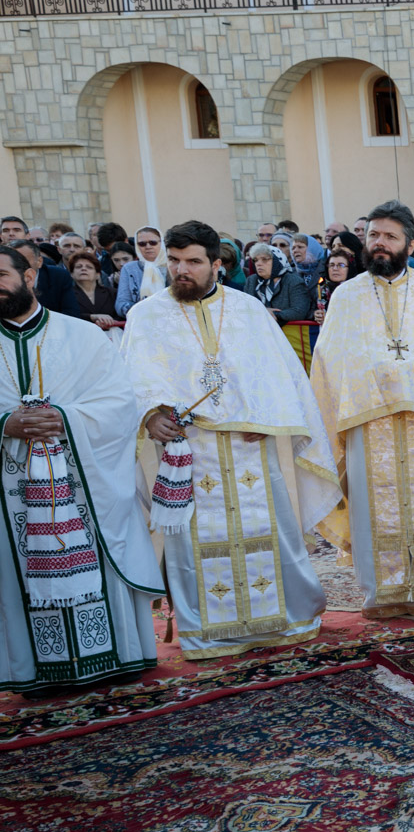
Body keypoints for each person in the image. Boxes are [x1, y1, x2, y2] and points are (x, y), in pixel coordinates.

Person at [123, 220, 338, 660]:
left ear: (217, 264)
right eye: (175, 261)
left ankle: (286, 618)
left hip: (250, 448)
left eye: (193, 262)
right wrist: (150, 417)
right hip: (187, 453)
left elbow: (281, 378)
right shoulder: (145, 316)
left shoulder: (246, 310)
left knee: (269, 533)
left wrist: (268, 417)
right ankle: (208, 632)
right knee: (193, 545)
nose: (182, 270)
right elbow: (134, 379)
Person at [0, 244, 166, 692]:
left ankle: (119, 655)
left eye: (1, 274)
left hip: (82, 477)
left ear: (29, 276)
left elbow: (119, 404)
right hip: (11, 486)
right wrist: (6, 423)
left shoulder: (82, 336)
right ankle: (33, 670)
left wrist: (66, 419)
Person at [306, 200, 414, 619]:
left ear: (410, 242)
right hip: (366, 424)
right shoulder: (347, 295)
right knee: (374, 512)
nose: (380, 244)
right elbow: (330, 363)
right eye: (373, 235)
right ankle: (383, 596)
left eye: (390, 236)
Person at [244, 242, 313, 324]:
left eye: (264, 259)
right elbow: (245, 308)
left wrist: (272, 314)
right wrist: (263, 312)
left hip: (286, 333)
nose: (258, 263)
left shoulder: (294, 281)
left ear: (277, 261)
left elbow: (299, 311)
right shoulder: (251, 281)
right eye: (256, 260)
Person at [113, 225, 166, 316]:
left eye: (153, 242)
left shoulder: (172, 265)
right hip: (140, 322)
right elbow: (120, 305)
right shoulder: (129, 269)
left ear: (162, 243)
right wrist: (140, 307)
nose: (148, 246)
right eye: (142, 244)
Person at [67, 252, 118, 327]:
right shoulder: (66, 295)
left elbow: (120, 316)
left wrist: (109, 322)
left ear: (98, 275)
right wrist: (91, 317)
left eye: (89, 267)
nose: (83, 269)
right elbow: (66, 316)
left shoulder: (112, 293)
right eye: (78, 267)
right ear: (72, 274)